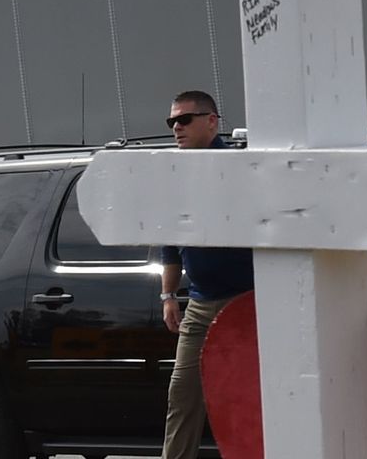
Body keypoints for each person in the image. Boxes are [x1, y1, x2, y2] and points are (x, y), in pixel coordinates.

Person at [158, 90, 254, 459]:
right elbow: (170, 240)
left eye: (184, 120)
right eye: (172, 122)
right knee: (183, 395)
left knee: (244, 393)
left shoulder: (235, 165)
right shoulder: (174, 173)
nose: (176, 128)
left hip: (245, 301)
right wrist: (169, 296)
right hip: (199, 304)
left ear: (211, 121)